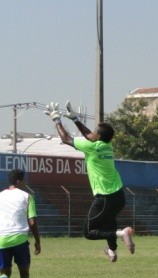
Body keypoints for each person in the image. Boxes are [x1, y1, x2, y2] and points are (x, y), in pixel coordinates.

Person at [45, 101, 134, 262]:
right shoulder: (108, 144)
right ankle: (112, 250)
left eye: (95, 131)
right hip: (119, 196)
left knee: (89, 231)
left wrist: (56, 119)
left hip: (105, 197)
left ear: (98, 136)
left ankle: (122, 233)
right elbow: (90, 135)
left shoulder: (92, 147)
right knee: (109, 221)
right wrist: (75, 119)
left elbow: (66, 139)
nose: (92, 133)